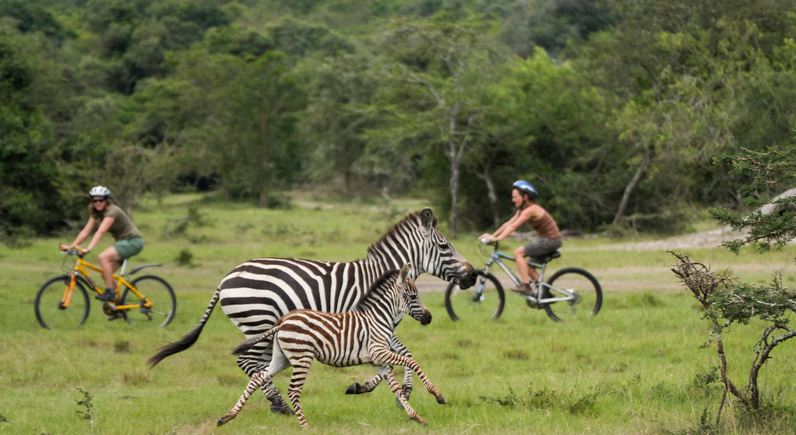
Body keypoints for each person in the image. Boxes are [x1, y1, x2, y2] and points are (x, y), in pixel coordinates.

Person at [60, 186, 144, 302]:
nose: (98, 203)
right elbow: (85, 231)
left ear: (106, 200)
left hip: (133, 241)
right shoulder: (96, 213)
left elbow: (101, 232)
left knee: (103, 257)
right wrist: (71, 246)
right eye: (95, 201)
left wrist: (88, 248)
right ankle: (118, 304)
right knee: (105, 274)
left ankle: (109, 292)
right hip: (122, 242)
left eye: (101, 200)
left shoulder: (112, 211)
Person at [479, 179, 562, 295]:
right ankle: (545, 293)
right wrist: (492, 236)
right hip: (547, 240)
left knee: (518, 253)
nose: (513, 200)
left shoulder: (531, 210)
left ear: (525, 197)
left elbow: (513, 227)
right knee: (527, 266)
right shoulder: (522, 210)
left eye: (515, 197)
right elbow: (508, 224)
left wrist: (497, 239)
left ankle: (526, 286)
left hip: (550, 241)